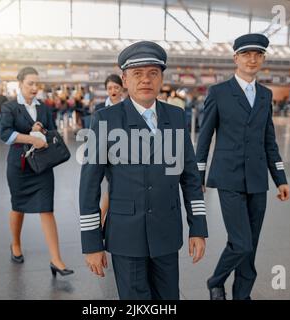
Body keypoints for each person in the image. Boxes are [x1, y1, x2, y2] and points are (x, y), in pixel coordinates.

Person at [79, 41, 208, 300]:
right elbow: (89, 186)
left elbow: (191, 177)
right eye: (137, 74)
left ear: (161, 78)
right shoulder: (105, 120)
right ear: (125, 80)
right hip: (126, 235)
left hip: (166, 231)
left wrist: (198, 227)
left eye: (153, 73)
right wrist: (92, 243)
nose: (145, 80)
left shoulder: (176, 116)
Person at [196, 33, 290, 300]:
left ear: (263, 58)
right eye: (246, 54)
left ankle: (242, 294)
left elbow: (269, 141)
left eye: (258, 54)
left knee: (252, 244)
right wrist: (197, 175)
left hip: (258, 179)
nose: (252, 59)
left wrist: (280, 178)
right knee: (241, 242)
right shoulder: (219, 93)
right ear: (235, 58)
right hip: (228, 178)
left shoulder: (265, 95)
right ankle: (216, 280)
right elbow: (204, 138)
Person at [0, 67, 73, 277]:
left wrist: (42, 131)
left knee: (46, 208)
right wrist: (31, 138)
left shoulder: (44, 108)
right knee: (18, 206)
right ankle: (15, 244)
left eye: (36, 84)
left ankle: (56, 259)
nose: (34, 88)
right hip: (19, 165)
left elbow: (51, 131)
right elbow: (4, 134)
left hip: (41, 166)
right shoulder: (10, 107)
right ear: (20, 83)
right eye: (30, 83)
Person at [93, 74, 125, 223]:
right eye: (110, 88)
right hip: (106, 151)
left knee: (116, 185)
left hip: (126, 152)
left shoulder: (129, 106)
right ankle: (102, 219)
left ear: (122, 88)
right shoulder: (100, 109)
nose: (113, 90)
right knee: (113, 183)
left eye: (116, 87)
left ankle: (105, 219)